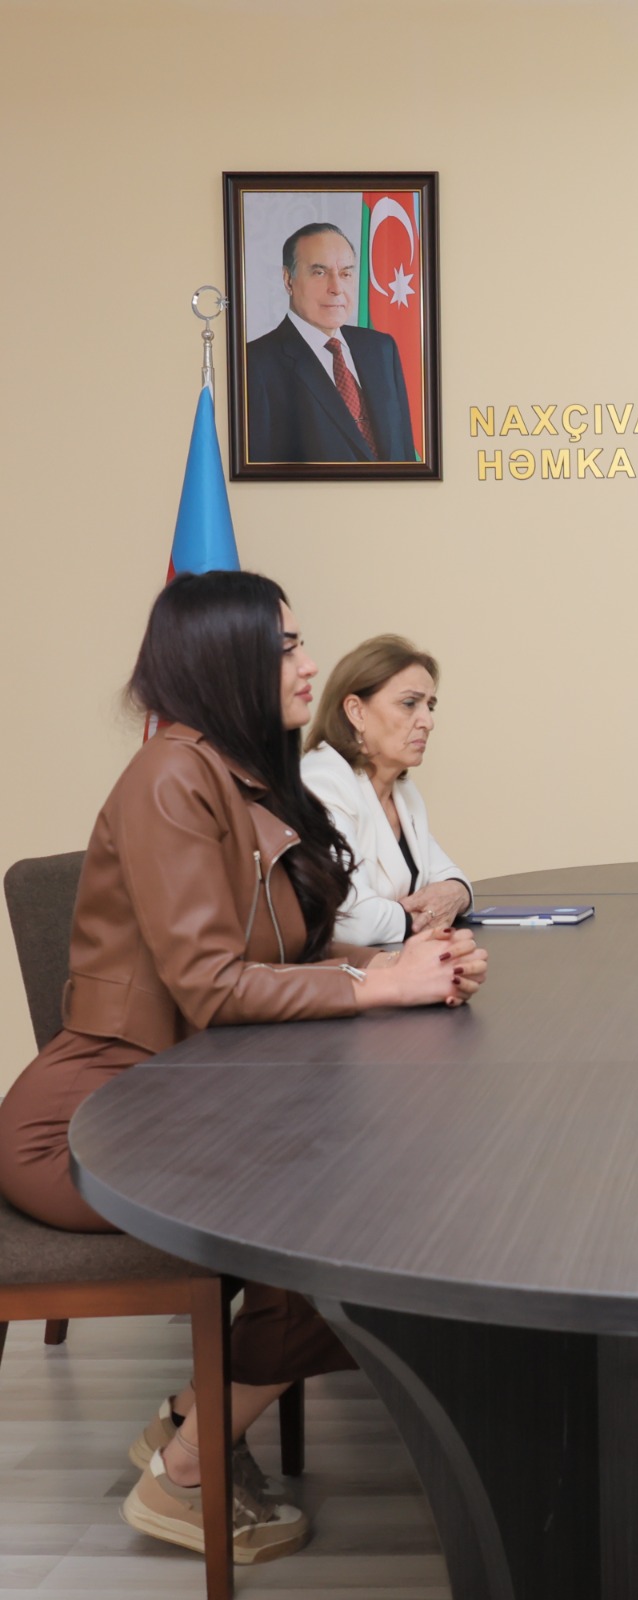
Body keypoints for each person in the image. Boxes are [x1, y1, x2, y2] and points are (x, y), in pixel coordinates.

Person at [0, 571, 488, 1562]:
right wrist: (374, 989)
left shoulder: (247, 777)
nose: (309, 664)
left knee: (376, 1195)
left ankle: (195, 1414)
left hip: (186, 1100)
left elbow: (285, 949)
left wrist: (402, 965)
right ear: (223, 658)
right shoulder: (168, 779)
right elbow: (212, 984)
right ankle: (186, 1473)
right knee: (344, 1225)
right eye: (286, 647)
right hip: (92, 1128)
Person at [301, 636, 472, 944]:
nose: (428, 722)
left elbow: (451, 878)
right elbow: (351, 921)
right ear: (356, 711)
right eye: (409, 704)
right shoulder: (322, 783)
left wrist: (455, 893)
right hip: (349, 973)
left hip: (400, 961)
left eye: (430, 706)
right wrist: (424, 917)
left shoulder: (401, 788)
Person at [245, 222, 417, 465]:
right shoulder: (254, 364)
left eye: (345, 274)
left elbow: (405, 456)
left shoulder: (381, 349)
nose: (336, 288)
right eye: (319, 272)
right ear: (288, 280)